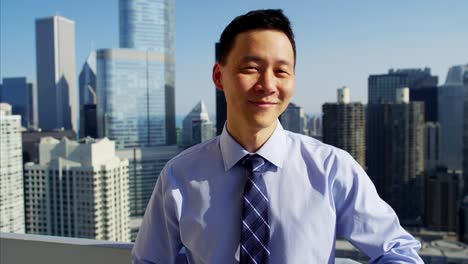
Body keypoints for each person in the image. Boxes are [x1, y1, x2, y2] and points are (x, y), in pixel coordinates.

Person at [132, 9, 423, 263]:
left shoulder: (332, 168)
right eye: (251, 69)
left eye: (282, 71)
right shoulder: (179, 175)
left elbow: (398, 252)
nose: (268, 84)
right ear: (219, 76)